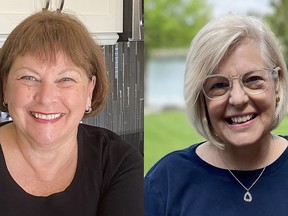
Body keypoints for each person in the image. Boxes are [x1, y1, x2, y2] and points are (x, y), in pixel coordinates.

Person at [0, 10, 143, 215]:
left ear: (89, 90)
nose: (46, 97)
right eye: (29, 78)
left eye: (66, 79)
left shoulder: (119, 164)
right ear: (5, 87)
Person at [145, 13, 288, 215]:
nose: (238, 99)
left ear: (277, 83)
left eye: (253, 79)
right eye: (218, 85)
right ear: (201, 99)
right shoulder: (165, 183)